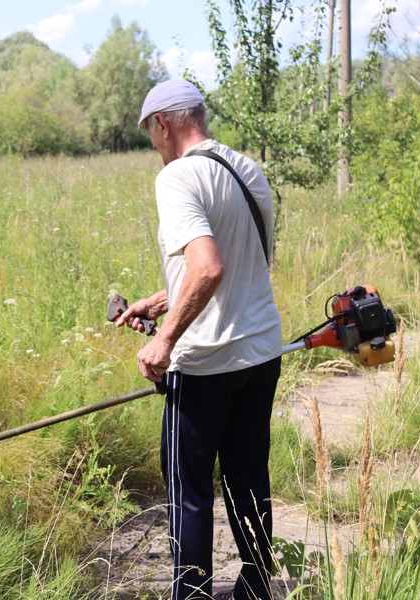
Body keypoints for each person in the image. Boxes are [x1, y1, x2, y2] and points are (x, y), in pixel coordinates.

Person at [115, 79, 283, 600]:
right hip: (260, 353)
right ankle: (256, 589)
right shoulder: (247, 169)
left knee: (188, 495)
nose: (153, 147)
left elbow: (209, 269)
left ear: (164, 122)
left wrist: (163, 340)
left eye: (150, 134)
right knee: (248, 480)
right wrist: (162, 298)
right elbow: (242, 269)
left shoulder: (177, 178)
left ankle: (190, 595)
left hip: (206, 367)